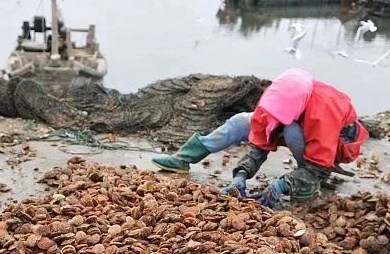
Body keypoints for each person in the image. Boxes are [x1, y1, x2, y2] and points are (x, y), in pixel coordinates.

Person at [152, 68, 368, 206]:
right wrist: (242, 175)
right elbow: (260, 140)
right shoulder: (280, 97)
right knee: (241, 121)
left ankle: (306, 183)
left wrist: (282, 185)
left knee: (293, 133)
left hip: (336, 143)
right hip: (299, 123)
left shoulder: (323, 113)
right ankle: (184, 158)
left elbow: (319, 161)